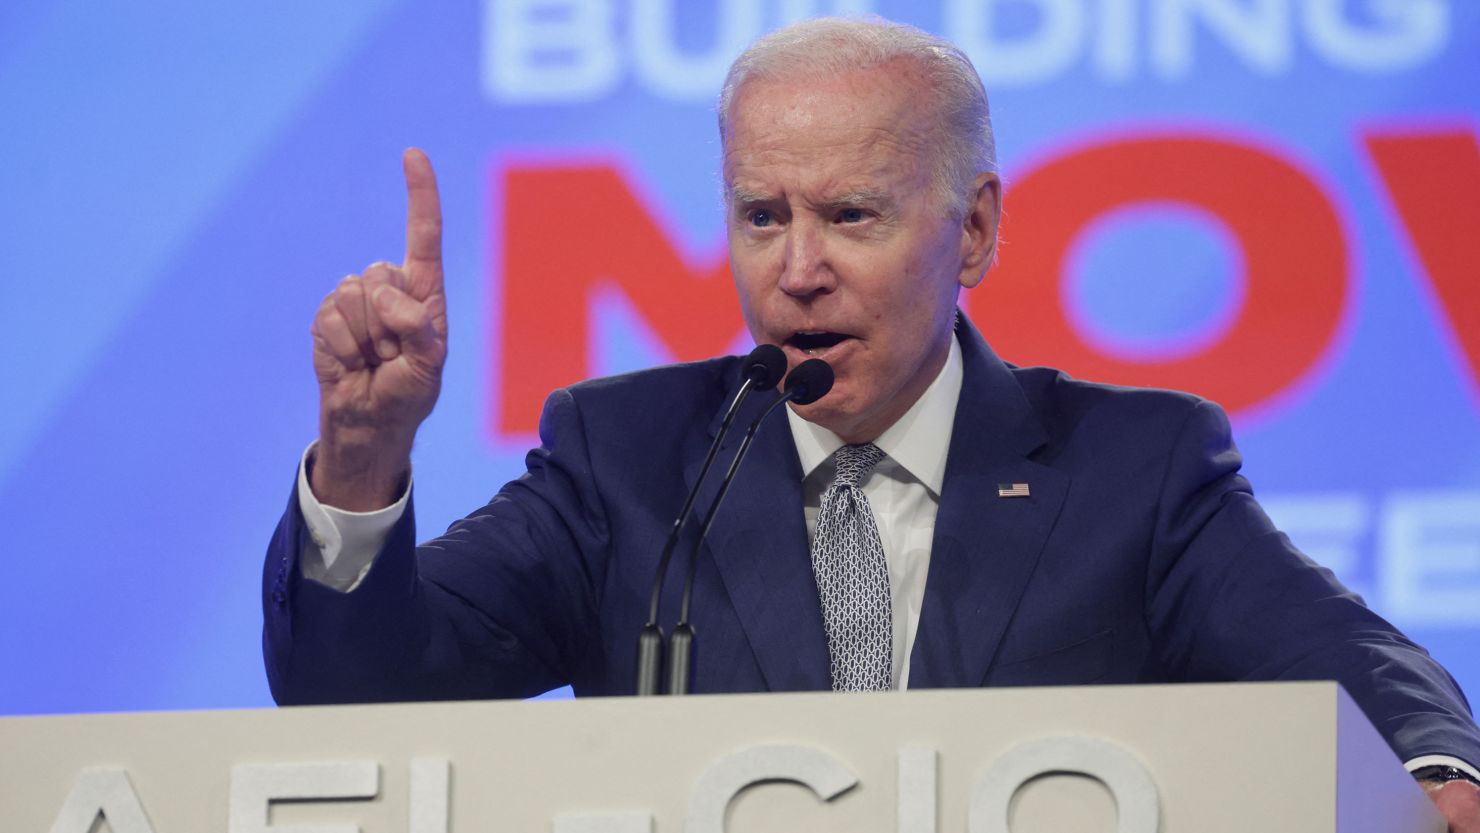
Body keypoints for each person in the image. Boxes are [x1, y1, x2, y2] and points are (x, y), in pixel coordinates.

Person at [263, 16, 1480, 828]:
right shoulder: (626, 461)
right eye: (758, 216)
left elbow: (1348, 660)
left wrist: (1433, 768)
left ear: (976, 229)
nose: (794, 271)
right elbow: (355, 704)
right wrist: (364, 458)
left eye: (849, 215)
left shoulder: (1133, 467)